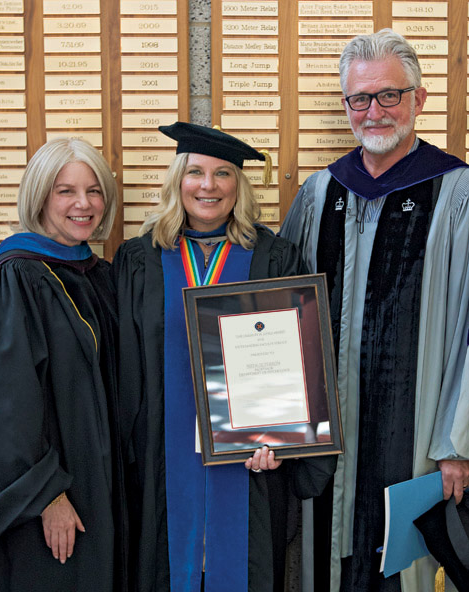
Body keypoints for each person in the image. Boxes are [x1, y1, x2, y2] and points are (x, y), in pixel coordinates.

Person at [281, 29, 469, 592]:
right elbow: (280, 314)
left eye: (389, 95)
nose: (374, 111)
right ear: (345, 106)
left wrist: (461, 445)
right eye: (361, 98)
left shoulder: (458, 192)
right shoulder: (318, 193)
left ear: (419, 99)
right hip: (327, 438)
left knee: (405, 568)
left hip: (422, 435)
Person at [113, 122, 336, 592]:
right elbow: (125, 370)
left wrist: (283, 442)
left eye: (223, 174)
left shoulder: (273, 257)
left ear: (240, 185)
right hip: (163, 453)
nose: (208, 186)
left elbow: (297, 363)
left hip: (250, 459)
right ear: (178, 181)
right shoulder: (140, 260)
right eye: (195, 172)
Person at [0, 138, 126, 592]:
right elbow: (6, 403)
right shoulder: (19, 276)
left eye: (94, 191)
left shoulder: (99, 276)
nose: (83, 204)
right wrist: (46, 495)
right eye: (65, 191)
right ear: (39, 196)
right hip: (44, 506)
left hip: (96, 489)